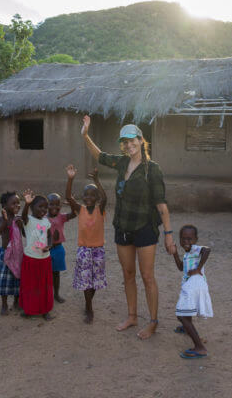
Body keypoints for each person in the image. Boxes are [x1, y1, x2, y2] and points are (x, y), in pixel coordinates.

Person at [80, 114, 176, 339]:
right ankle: (132, 316)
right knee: (128, 274)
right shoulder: (121, 162)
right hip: (122, 227)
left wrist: (169, 234)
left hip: (145, 228)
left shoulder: (152, 170)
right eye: (125, 141)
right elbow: (99, 156)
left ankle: (153, 321)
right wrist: (85, 135)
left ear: (141, 140)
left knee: (147, 276)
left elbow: (161, 205)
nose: (129, 144)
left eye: (132, 140)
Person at [65, 165, 108, 324]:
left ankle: (88, 303)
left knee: (95, 282)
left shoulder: (100, 209)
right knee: (86, 282)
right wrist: (70, 178)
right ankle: (89, 308)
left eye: (92, 195)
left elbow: (105, 198)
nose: (89, 197)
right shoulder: (80, 210)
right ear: (82, 197)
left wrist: (97, 180)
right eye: (86, 194)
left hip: (98, 251)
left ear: (96, 198)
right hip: (84, 251)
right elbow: (69, 197)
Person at [173, 225, 212, 359]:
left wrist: (199, 269)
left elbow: (207, 250)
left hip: (194, 284)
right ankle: (187, 328)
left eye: (190, 239)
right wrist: (174, 253)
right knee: (182, 313)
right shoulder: (187, 255)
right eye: (183, 239)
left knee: (182, 315)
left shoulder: (196, 249)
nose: (186, 242)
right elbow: (180, 267)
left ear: (195, 239)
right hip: (191, 285)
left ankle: (200, 348)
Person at [19, 190, 54, 320]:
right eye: (40, 206)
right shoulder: (28, 220)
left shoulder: (46, 222)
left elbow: (49, 236)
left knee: (44, 286)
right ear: (32, 207)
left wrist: (49, 245)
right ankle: (29, 309)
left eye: (46, 207)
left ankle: (45, 310)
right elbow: (23, 216)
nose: (44, 209)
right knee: (30, 286)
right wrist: (26, 203)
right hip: (30, 259)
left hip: (44, 259)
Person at [0, 191, 23, 315]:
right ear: (5, 206)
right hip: (5, 254)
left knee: (18, 279)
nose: (17, 205)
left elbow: (26, 235)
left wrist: (22, 225)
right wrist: (6, 222)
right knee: (4, 280)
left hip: (17, 254)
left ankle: (16, 302)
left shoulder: (19, 219)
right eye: (13, 203)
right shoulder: (2, 218)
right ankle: (4, 304)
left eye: (18, 202)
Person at [47, 191, 76, 303]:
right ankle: (48, 295)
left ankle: (56, 294)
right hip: (46, 250)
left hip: (58, 249)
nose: (55, 207)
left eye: (57, 204)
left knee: (56, 274)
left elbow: (74, 214)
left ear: (61, 205)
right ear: (47, 205)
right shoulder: (43, 217)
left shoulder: (61, 217)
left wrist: (72, 204)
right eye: (51, 204)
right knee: (46, 275)